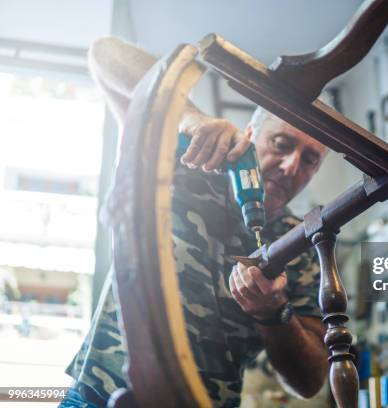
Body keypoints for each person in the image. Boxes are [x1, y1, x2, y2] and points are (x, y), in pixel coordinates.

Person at [60, 37, 329, 408]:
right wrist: (190, 117)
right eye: (282, 144)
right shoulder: (185, 162)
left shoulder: (301, 245)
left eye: (310, 160)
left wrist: (273, 313)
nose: (291, 167)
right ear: (250, 136)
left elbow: (311, 380)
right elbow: (104, 54)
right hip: (102, 395)